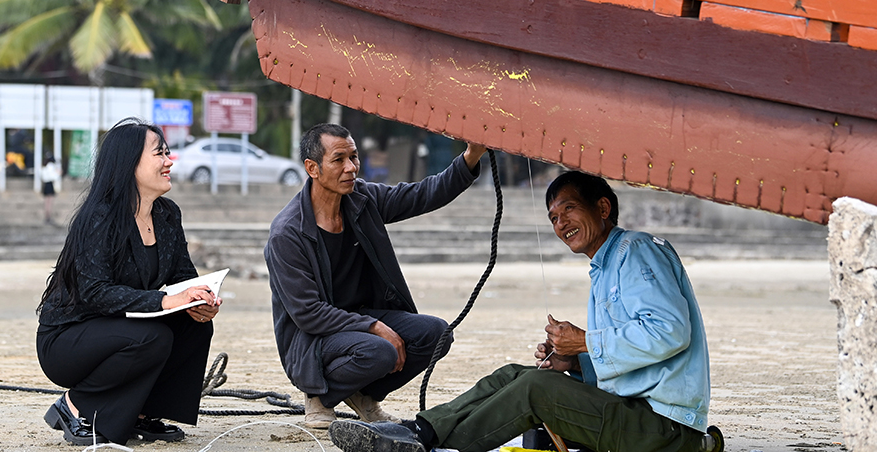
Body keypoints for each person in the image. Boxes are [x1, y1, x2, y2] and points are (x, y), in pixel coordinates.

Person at [328, 170, 724, 452]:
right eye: (553, 217)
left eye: (568, 209)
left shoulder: (634, 251)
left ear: (603, 207)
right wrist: (574, 362)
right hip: (637, 413)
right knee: (515, 375)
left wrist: (585, 342)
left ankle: (433, 445)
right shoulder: (607, 265)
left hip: (665, 430)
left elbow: (670, 333)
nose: (560, 223)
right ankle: (421, 430)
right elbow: (639, 354)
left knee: (536, 389)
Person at [265, 123, 485, 430]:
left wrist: (471, 156)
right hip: (313, 339)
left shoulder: (363, 200)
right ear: (312, 168)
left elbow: (423, 195)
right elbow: (308, 314)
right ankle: (320, 395)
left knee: (436, 335)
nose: (351, 167)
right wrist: (374, 327)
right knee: (379, 350)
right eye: (339, 159)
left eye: (354, 157)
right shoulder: (287, 233)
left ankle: (364, 396)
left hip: (362, 319)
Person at [36, 118, 222, 446]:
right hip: (69, 337)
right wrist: (166, 302)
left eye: (168, 153)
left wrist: (198, 299)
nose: (169, 161)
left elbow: (182, 276)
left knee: (193, 325)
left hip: (121, 329)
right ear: (129, 162)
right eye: (159, 154)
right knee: (153, 336)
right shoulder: (100, 218)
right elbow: (94, 292)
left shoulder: (167, 214)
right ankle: (74, 405)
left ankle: (142, 413)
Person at [40, 153, 61, 225]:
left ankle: (46, 217)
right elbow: (53, 177)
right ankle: (48, 217)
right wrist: (58, 173)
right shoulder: (51, 166)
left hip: (45, 185)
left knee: (46, 202)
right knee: (50, 202)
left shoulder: (44, 166)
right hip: (49, 185)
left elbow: (43, 176)